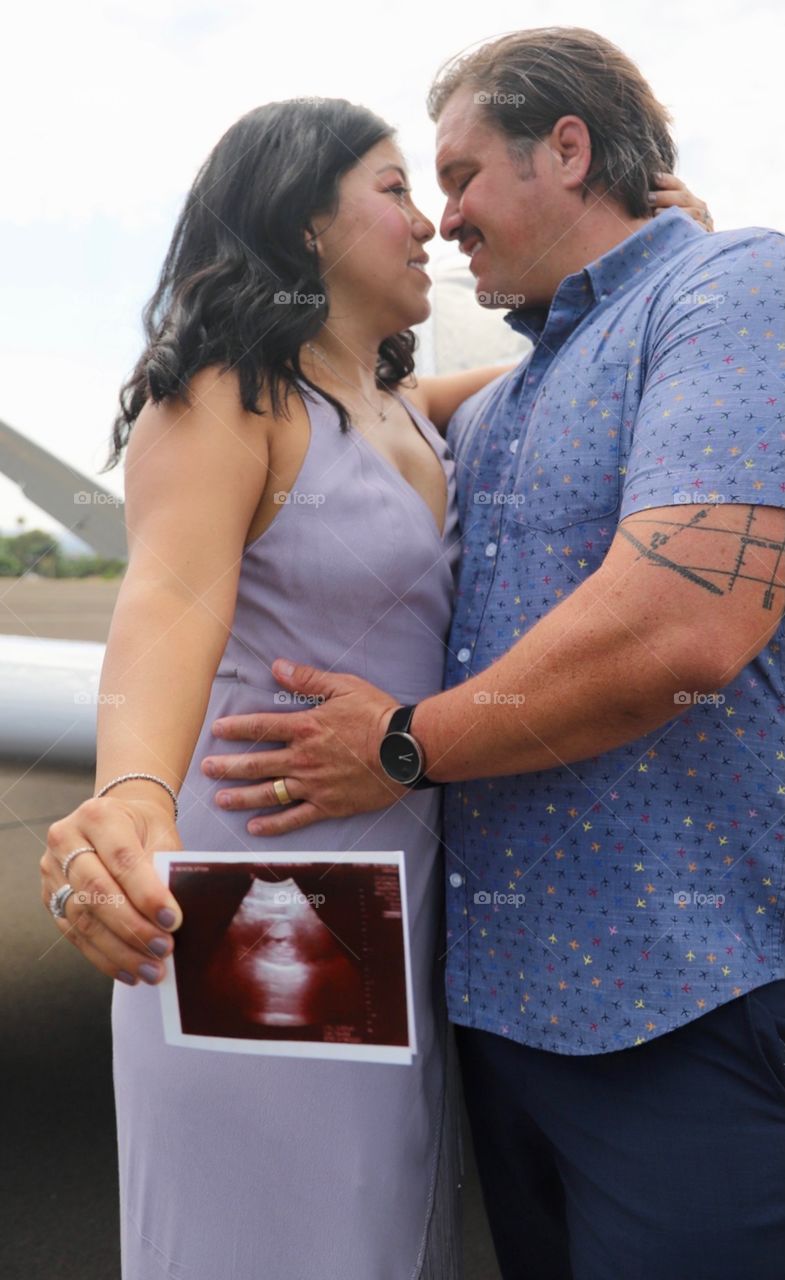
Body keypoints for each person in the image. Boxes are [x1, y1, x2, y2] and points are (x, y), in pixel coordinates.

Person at [39, 79, 710, 1280]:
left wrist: (663, 256)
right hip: (260, 891)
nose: (433, 224)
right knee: (274, 1232)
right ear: (305, 225)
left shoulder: (404, 412)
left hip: (394, 901)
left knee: (378, 1219)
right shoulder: (225, 401)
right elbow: (167, 602)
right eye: (401, 190)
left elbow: (587, 353)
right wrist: (134, 789)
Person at [193, 29, 785, 1280]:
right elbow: (386, 411)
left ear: (566, 149)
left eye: (457, 176)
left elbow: (685, 623)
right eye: (417, 188)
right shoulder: (510, 396)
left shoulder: (733, 288)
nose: (445, 218)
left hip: (680, 997)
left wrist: (405, 742)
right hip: (496, 1018)